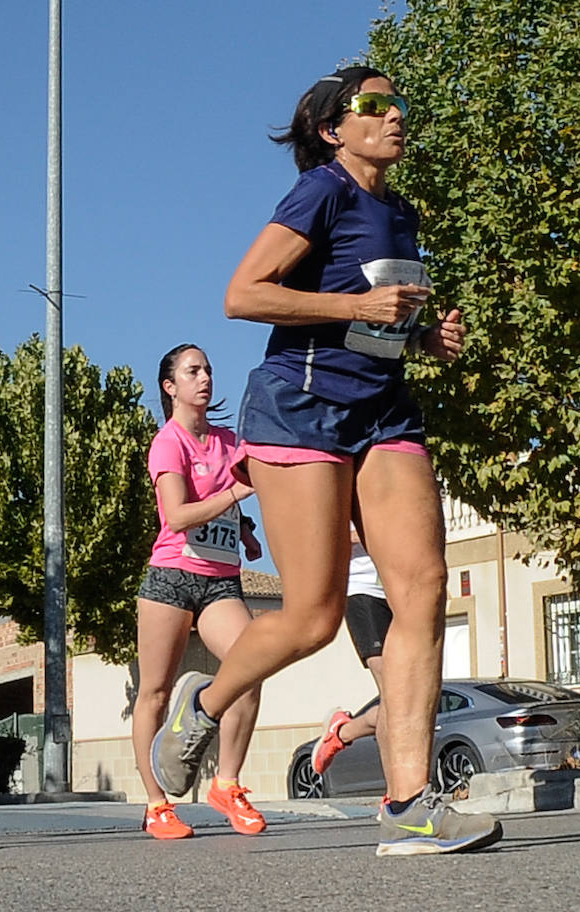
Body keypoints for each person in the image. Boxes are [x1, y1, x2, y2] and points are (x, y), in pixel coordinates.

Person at [150, 67, 501, 856]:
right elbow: (243, 294)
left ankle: (410, 803)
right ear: (334, 129)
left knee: (424, 587)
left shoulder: (400, 212)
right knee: (311, 615)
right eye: (373, 106)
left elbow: (380, 323)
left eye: (398, 103)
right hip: (300, 412)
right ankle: (202, 708)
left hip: (383, 411)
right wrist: (354, 307)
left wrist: (421, 340)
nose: (394, 116)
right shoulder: (323, 191)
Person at [133, 344, 266, 839]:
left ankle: (226, 783)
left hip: (220, 581)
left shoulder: (228, 441)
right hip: (171, 577)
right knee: (155, 692)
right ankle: (156, 804)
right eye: (193, 371)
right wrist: (234, 494)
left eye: (208, 369)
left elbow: (233, 501)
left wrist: (245, 529)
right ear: (171, 387)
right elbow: (180, 515)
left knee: (251, 667)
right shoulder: (168, 443)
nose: (205, 377)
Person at [311, 527, 386, 776]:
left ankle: (343, 732)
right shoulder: (345, 488)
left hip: (402, 590)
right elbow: (325, 531)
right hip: (364, 590)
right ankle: (400, 792)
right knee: (395, 699)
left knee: (408, 702)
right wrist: (382, 531)